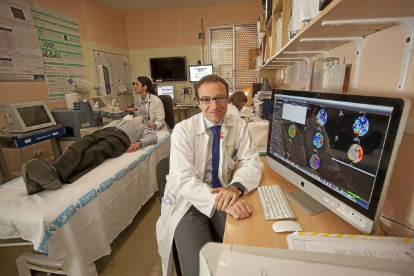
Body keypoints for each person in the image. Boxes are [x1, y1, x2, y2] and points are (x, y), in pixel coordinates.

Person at [156, 74, 263, 276]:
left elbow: (252, 161)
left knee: (247, 254)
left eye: (220, 97)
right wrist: (223, 199)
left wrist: (236, 187)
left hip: (223, 193)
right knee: (201, 270)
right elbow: (184, 179)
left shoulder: (237, 124)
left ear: (227, 98)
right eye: (206, 99)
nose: (214, 105)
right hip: (188, 202)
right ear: (198, 102)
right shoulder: (183, 130)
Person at [22, 119, 158, 195]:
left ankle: (53, 176)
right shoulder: (119, 120)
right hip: (100, 132)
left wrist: (139, 142)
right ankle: (48, 174)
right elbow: (99, 131)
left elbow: (153, 137)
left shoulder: (143, 128)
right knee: (77, 146)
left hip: (119, 138)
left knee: (95, 152)